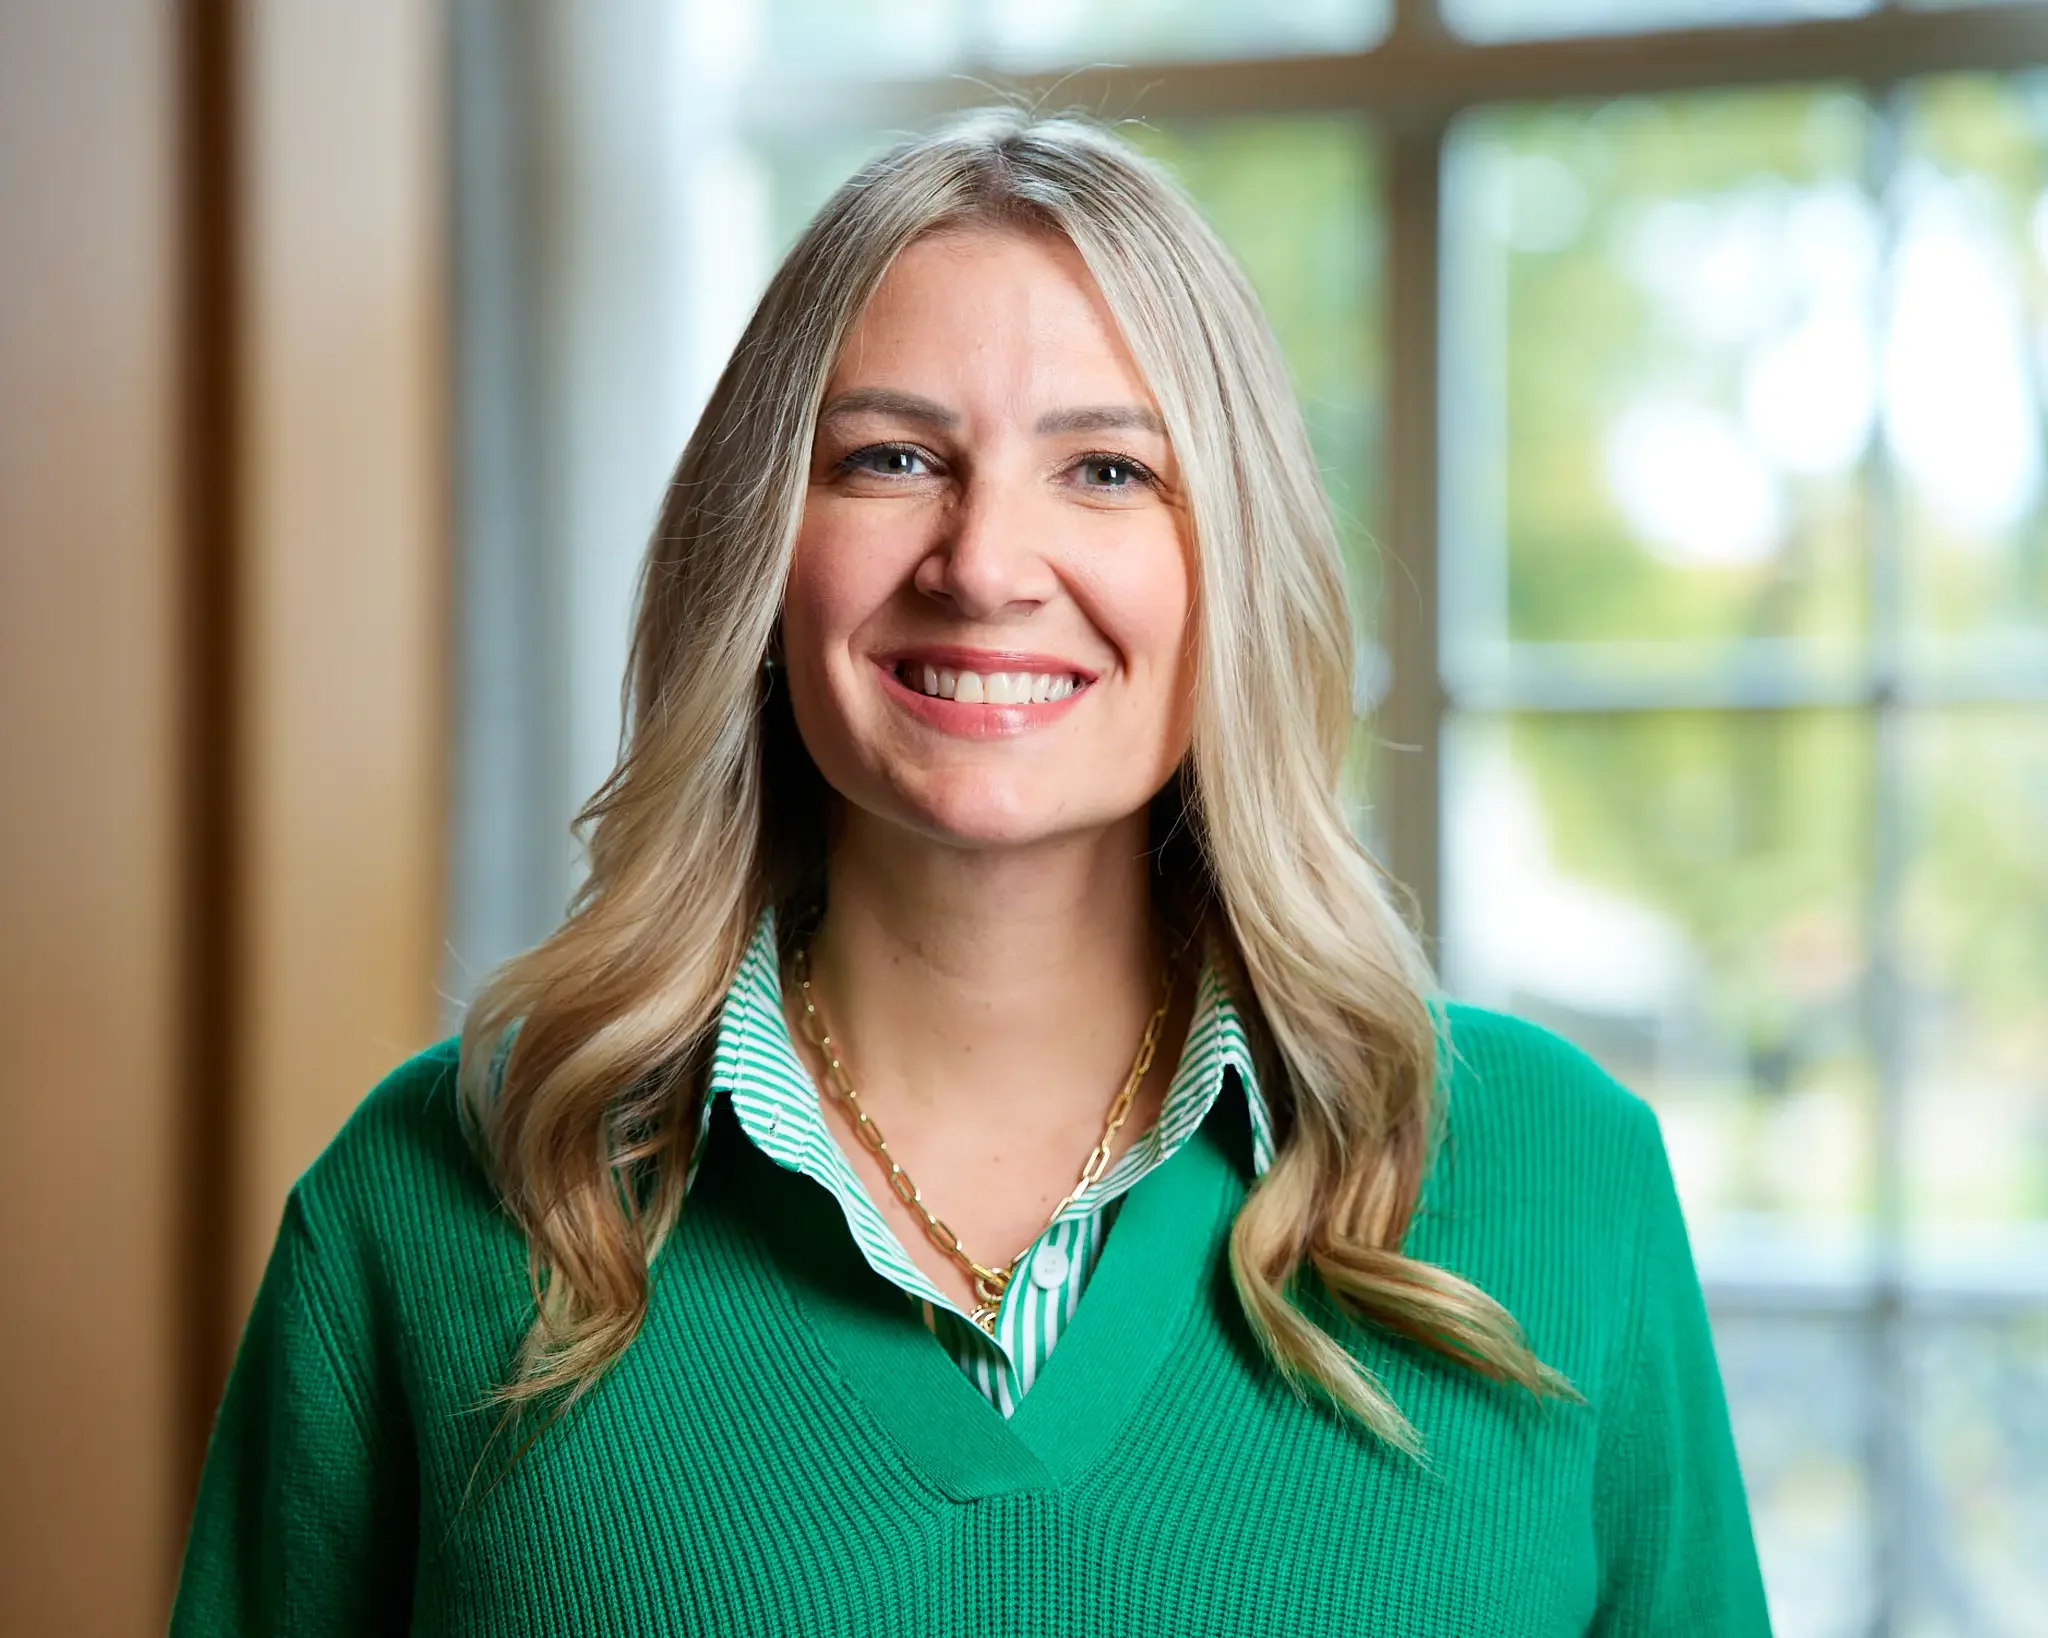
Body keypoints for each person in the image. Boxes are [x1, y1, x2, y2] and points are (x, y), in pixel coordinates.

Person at [171, 107, 1771, 1636]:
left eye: (1108, 470)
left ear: (1234, 565)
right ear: (759, 555)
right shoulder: (433, 1189)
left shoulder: (1565, 1178)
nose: (987, 565)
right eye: (889, 459)